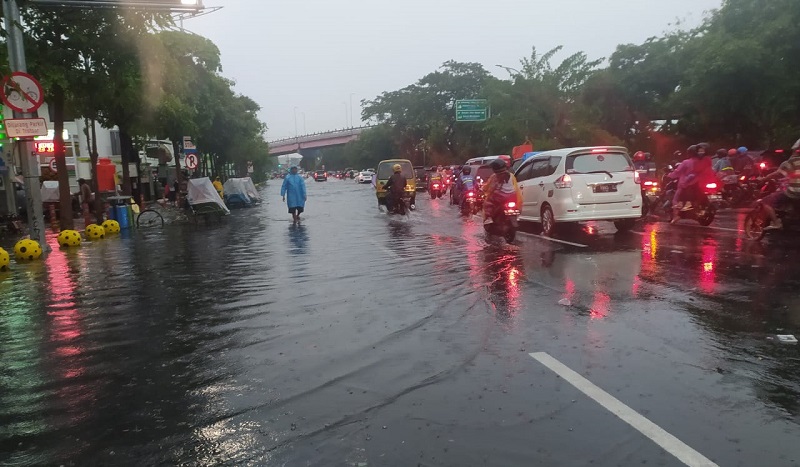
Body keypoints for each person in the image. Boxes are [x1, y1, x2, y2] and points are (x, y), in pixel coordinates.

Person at [668, 143, 714, 221]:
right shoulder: (704, 161)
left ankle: (676, 216)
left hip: (686, 184)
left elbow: (677, 172)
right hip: (700, 183)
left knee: (675, 200)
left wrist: (669, 175)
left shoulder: (686, 162)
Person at [759, 148, 800, 230]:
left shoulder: (791, 162)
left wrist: (763, 179)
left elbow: (777, 174)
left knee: (766, 202)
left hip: (794, 191)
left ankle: (776, 223)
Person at [482, 159, 522, 224]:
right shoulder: (511, 175)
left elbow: (489, 187)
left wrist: (483, 190)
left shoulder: (494, 177)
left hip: (500, 198)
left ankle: (489, 218)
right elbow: (516, 187)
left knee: (487, 202)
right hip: (512, 196)